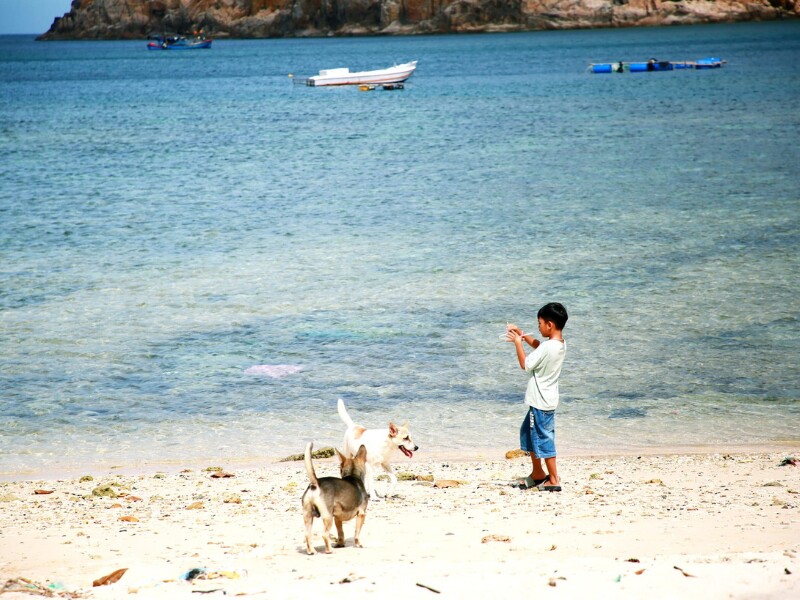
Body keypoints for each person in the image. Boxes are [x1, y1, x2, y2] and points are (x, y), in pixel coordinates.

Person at [505, 302, 568, 492]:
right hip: (545, 400)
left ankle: (554, 479)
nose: (538, 327)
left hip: (541, 402)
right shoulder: (559, 344)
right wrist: (523, 336)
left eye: (539, 323)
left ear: (549, 324)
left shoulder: (548, 347)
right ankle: (538, 472)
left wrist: (517, 344)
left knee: (543, 438)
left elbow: (525, 364)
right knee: (527, 433)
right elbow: (539, 346)